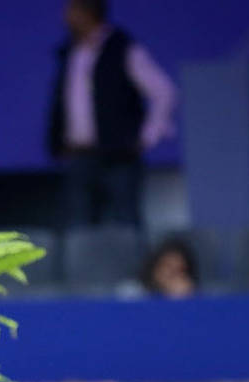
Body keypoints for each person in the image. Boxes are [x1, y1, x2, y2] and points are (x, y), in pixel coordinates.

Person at [50, 0, 177, 228]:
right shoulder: (70, 52)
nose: (65, 17)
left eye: (71, 9)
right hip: (79, 157)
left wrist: (146, 137)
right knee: (79, 229)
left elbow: (163, 92)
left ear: (88, 12)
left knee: (125, 224)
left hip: (119, 157)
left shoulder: (122, 48)